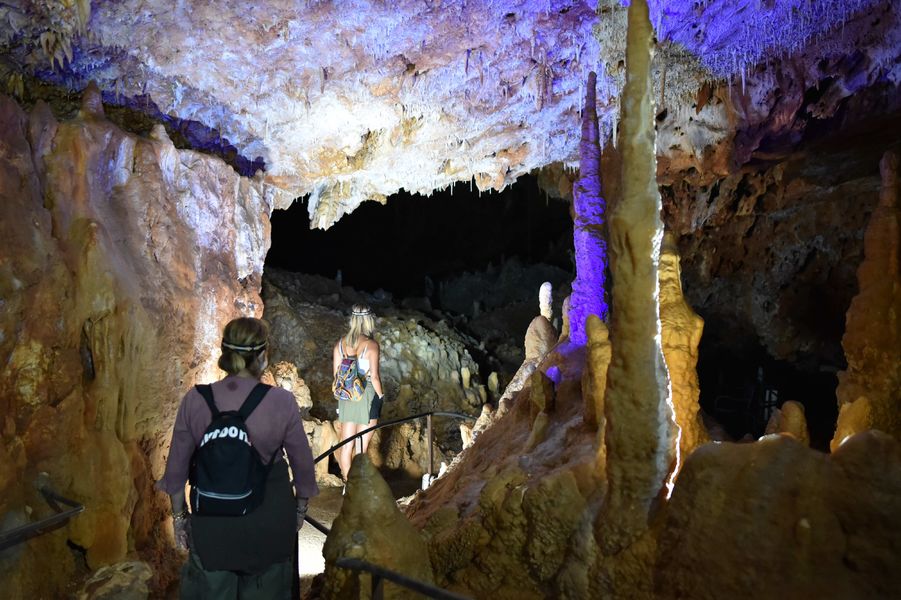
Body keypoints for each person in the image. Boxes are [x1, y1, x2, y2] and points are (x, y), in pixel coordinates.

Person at [157, 317, 319, 599]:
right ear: (262, 356)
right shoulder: (281, 401)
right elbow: (304, 468)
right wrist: (299, 511)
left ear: (225, 353)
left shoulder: (195, 400)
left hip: (212, 527)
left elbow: (175, 473)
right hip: (269, 525)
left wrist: (180, 519)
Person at [333, 304, 384, 482]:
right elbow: (375, 377)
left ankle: (349, 486)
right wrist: (381, 396)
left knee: (346, 447)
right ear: (369, 321)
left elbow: (336, 375)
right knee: (361, 448)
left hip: (346, 396)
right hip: (366, 395)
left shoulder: (340, 345)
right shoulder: (371, 345)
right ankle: (359, 489)